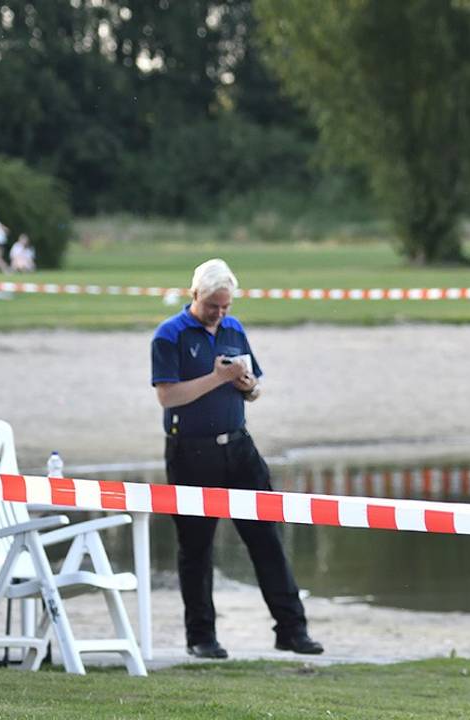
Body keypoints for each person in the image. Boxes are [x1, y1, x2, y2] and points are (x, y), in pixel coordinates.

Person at [150, 258, 323, 659]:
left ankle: (292, 629)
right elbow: (167, 396)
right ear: (195, 295)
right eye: (213, 306)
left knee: (267, 538)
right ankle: (201, 636)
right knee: (195, 546)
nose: (220, 313)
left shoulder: (234, 328)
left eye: (225, 306)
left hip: (239, 446)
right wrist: (217, 378)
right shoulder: (169, 335)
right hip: (190, 451)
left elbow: (254, 387)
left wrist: (246, 385)